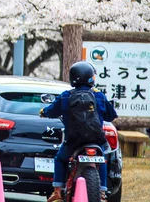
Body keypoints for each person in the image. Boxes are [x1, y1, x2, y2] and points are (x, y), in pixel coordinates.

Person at [40, 61, 118, 202]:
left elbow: (51, 111)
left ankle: (57, 190)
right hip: (95, 139)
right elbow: (111, 115)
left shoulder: (66, 95)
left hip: (74, 141)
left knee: (60, 159)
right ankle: (102, 192)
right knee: (102, 159)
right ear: (91, 78)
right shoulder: (98, 95)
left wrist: (43, 112)